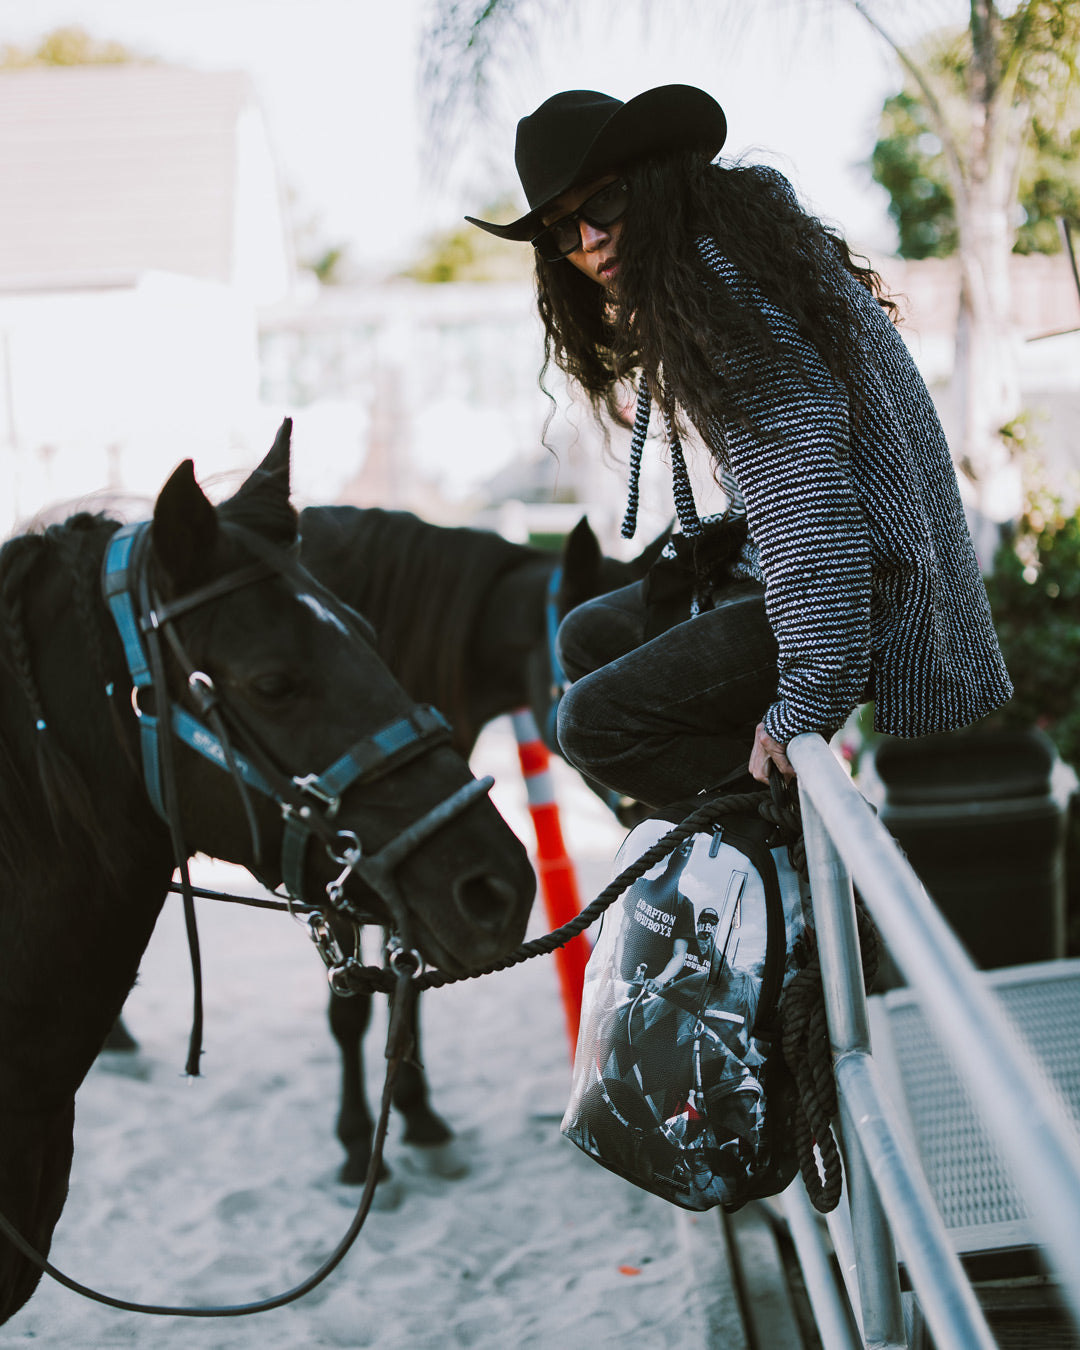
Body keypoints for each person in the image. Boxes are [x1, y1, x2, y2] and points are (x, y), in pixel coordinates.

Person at [466, 86, 1013, 806]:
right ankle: (751, 838)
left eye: (603, 203)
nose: (589, 241)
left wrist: (802, 707)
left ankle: (779, 848)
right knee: (589, 636)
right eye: (562, 231)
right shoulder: (722, 259)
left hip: (866, 589)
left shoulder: (718, 292)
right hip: (839, 569)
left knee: (595, 725)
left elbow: (809, 492)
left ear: (657, 180)